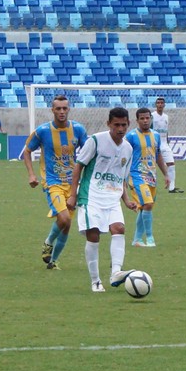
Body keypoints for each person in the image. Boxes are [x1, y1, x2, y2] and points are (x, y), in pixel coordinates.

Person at [66, 107, 138, 292]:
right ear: (109, 124)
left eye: (124, 125)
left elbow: (121, 177)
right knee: (93, 234)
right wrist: (73, 195)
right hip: (91, 196)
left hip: (112, 197)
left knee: (119, 228)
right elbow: (78, 167)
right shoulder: (96, 141)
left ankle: (116, 272)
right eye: (116, 125)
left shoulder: (128, 149)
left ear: (129, 124)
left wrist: (127, 200)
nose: (120, 129)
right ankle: (96, 281)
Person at [22, 95, 88, 270]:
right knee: (64, 218)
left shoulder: (78, 130)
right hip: (53, 182)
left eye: (64, 108)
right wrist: (31, 175)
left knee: (67, 225)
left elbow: (89, 153)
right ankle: (48, 242)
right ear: (52, 110)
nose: (61, 111)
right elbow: (27, 152)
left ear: (69, 109)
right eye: (58, 108)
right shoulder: (43, 131)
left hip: (73, 183)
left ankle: (53, 261)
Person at [126, 107, 170, 247]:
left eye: (147, 118)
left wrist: (166, 174)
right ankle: (150, 238)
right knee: (148, 204)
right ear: (137, 120)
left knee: (144, 207)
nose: (145, 121)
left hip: (151, 176)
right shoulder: (131, 136)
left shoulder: (156, 135)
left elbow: (157, 156)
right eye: (142, 118)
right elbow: (124, 157)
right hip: (136, 176)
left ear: (150, 119)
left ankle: (137, 240)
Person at [152, 97, 184, 193]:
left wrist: (167, 141)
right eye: (158, 103)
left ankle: (172, 187)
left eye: (162, 103)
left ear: (164, 105)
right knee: (150, 166)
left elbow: (166, 131)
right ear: (156, 105)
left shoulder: (166, 116)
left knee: (171, 164)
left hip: (164, 144)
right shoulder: (152, 116)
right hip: (154, 144)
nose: (160, 104)